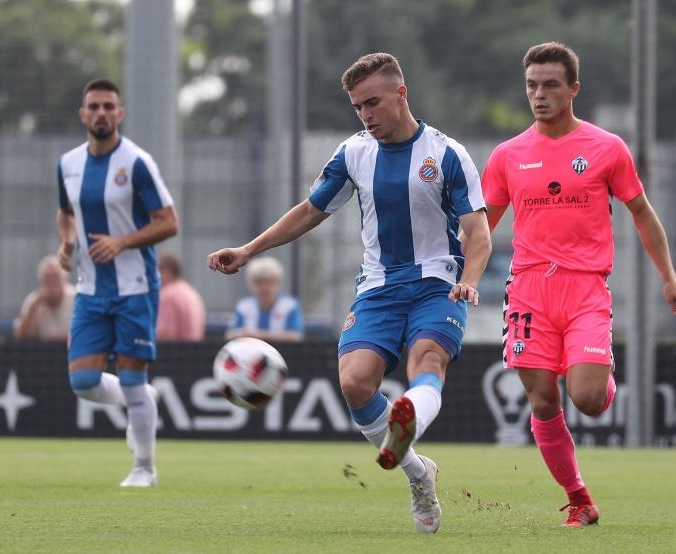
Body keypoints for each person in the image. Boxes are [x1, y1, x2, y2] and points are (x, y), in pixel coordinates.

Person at [208, 52, 492, 533]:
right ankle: (419, 473)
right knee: (356, 384)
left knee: (427, 359)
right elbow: (310, 211)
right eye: (358, 107)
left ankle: (409, 417)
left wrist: (471, 279)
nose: (365, 115)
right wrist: (249, 250)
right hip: (378, 287)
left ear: (401, 94)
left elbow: (478, 233)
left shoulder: (446, 154)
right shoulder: (354, 153)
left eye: (372, 103)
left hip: (438, 283)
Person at [481, 42, 676, 527]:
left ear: (573, 88)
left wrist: (670, 279)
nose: (539, 95)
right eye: (532, 86)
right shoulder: (507, 155)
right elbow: (481, 227)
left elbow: (642, 213)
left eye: (550, 85)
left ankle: (600, 372)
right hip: (529, 290)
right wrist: (456, 271)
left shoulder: (607, 148)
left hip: (585, 289)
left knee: (590, 401)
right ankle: (579, 498)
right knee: (542, 400)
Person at [57, 79, 178, 487]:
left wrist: (122, 241)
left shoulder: (137, 163)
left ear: (120, 114)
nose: (101, 113)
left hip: (135, 288)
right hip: (90, 289)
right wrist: (66, 242)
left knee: (131, 378)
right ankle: (142, 397)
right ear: (83, 114)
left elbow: (169, 223)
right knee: (83, 382)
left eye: (109, 106)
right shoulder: (68, 164)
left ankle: (144, 468)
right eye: (94, 106)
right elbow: (65, 212)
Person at [226, 256, 303, 342]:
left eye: (269, 282)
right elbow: (231, 334)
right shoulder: (244, 306)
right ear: (251, 284)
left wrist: (258, 335)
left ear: (278, 283)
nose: (264, 287)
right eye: (259, 282)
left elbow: (295, 336)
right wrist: (242, 334)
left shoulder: (290, 306)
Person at [13, 255, 76, 340]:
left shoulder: (76, 298)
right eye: (47, 279)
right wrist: (32, 309)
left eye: (55, 278)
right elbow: (20, 335)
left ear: (64, 279)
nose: (52, 284)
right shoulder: (33, 301)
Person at [156, 251, 206, 341]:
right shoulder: (190, 291)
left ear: (167, 271)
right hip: (195, 347)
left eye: (158, 270)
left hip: (176, 349)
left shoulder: (167, 295)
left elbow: (165, 334)